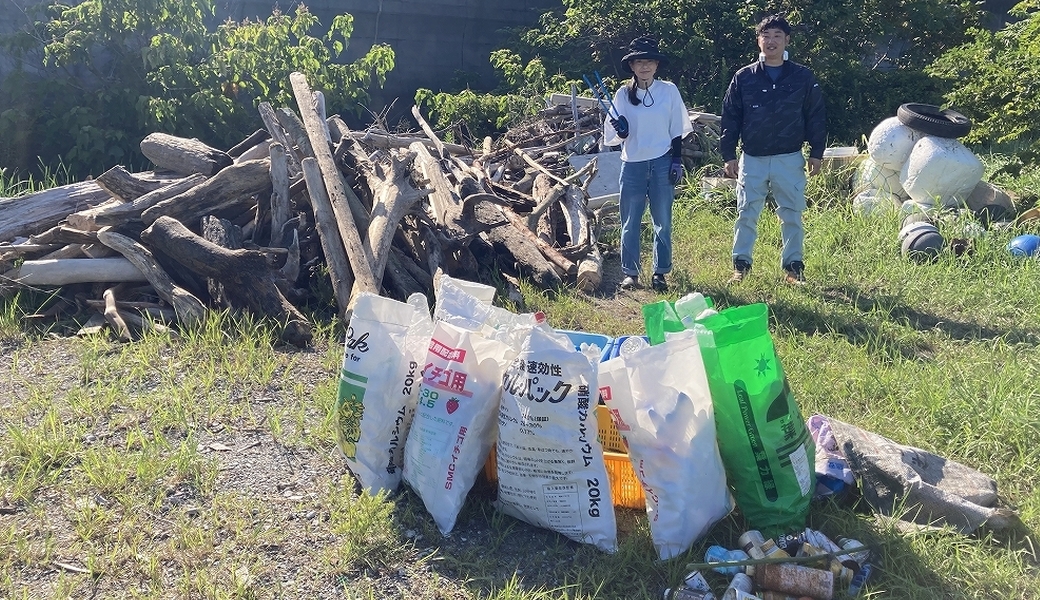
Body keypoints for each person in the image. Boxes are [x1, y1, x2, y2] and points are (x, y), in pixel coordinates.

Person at [720, 14, 826, 285]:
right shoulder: (744, 77)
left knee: (792, 214)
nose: (771, 41)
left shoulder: (802, 77)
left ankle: (793, 268)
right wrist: (728, 155)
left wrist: (817, 152)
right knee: (746, 213)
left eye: (777, 36)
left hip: (789, 158)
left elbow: (815, 115)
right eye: (766, 36)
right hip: (752, 158)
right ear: (758, 41)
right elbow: (730, 117)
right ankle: (741, 266)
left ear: (787, 40)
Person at [604, 36, 693, 292]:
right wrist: (621, 131)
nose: (644, 66)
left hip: (662, 162)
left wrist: (676, 161)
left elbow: (676, 128)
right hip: (632, 164)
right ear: (632, 66)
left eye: (649, 61)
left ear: (657, 65)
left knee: (662, 220)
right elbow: (614, 134)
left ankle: (660, 272)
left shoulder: (669, 90)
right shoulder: (622, 94)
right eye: (639, 62)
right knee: (630, 221)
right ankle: (630, 273)